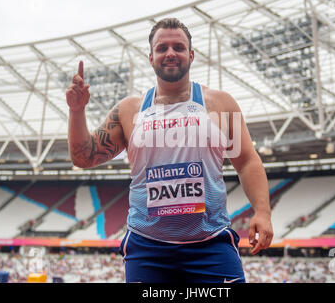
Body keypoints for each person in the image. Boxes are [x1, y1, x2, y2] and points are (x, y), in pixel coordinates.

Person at [66, 18, 273, 283]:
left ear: (191, 54)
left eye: (178, 46)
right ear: (151, 57)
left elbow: (246, 162)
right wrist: (76, 111)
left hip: (210, 245)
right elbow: (83, 157)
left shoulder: (219, 103)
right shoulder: (130, 110)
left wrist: (263, 212)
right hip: (148, 248)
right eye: (162, 48)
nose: (171, 53)